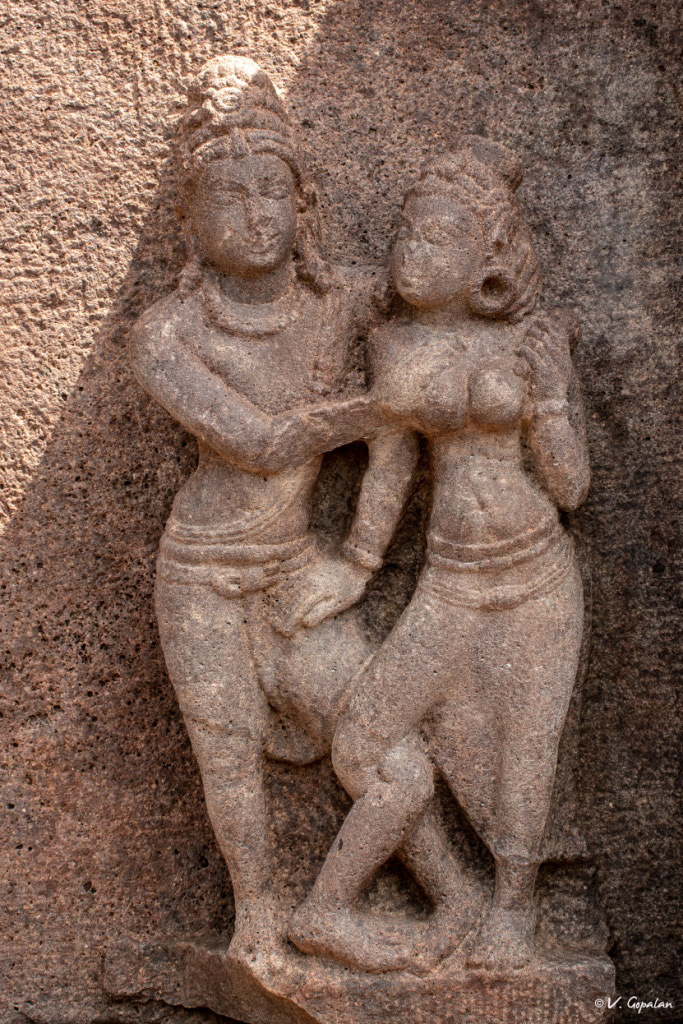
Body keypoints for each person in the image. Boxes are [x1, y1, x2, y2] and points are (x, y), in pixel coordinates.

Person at [132, 56, 477, 976]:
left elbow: (402, 416)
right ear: (189, 220)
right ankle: (256, 922)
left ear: (303, 203)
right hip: (203, 574)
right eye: (228, 194)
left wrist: (358, 561)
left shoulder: (343, 305)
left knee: (391, 758)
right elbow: (258, 442)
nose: (255, 213)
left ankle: (436, 903)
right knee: (229, 756)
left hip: (295, 567)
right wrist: (382, 405)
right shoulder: (166, 334)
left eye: (272, 190)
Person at [289, 137, 591, 972]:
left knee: (524, 754)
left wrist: (551, 402)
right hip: (450, 580)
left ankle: (512, 909)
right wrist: (355, 566)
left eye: (439, 237)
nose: (412, 249)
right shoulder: (392, 344)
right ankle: (410, 898)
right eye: (406, 233)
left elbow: (570, 488)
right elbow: (389, 466)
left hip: (534, 575)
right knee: (361, 740)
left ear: (487, 260)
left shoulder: (533, 341)